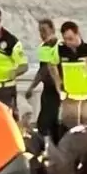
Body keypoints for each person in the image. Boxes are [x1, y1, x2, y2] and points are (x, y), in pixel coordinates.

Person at [54, 21, 87, 129]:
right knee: (69, 133)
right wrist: (58, 87)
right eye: (65, 39)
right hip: (69, 100)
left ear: (78, 33)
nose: (68, 42)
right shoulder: (60, 51)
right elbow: (53, 68)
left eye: (71, 38)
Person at [25, 18, 62, 146]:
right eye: (40, 31)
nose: (42, 34)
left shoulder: (57, 46)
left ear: (52, 29)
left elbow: (46, 70)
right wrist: (32, 87)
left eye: (44, 30)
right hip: (48, 89)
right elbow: (42, 71)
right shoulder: (44, 47)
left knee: (47, 122)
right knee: (47, 122)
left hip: (58, 90)